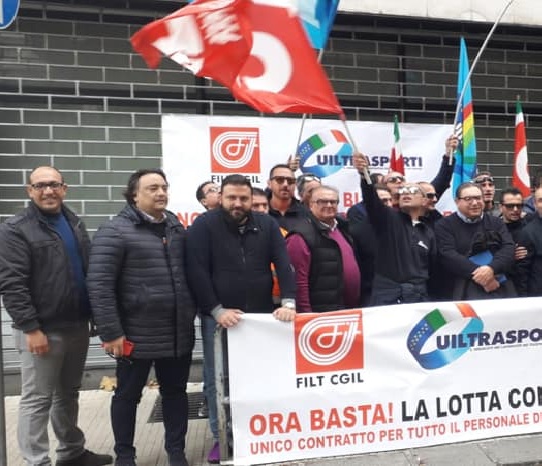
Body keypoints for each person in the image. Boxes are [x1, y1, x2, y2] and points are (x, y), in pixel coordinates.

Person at [0, 167, 112, 466]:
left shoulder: (73, 221)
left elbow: (87, 270)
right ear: (29, 191)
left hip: (76, 325)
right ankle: (37, 461)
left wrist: (95, 314)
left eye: (53, 184)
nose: (47, 191)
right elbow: (11, 283)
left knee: (68, 394)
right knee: (37, 399)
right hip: (42, 330)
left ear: (64, 188)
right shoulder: (15, 229)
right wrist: (30, 328)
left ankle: (71, 452)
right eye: (40, 186)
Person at [185, 174, 298, 464]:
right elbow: (196, 271)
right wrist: (216, 310)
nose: (237, 203)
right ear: (221, 198)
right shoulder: (203, 225)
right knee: (218, 380)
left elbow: (283, 263)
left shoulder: (267, 224)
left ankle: (256, 434)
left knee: (258, 376)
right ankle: (221, 438)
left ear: (252, 199)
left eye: (243, 198)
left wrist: (288, 301)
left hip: (259, 317)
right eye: (231, 197)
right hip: (219, 318)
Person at [87, 169, 197, 466]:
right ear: (134, 195)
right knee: (127, 396)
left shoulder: (175, 227)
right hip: (135, 333)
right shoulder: (115, 231)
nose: (161, 193)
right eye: (152, 188)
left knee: (175, 393)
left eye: (164, 187)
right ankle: (125, 455)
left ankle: (176, 452)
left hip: (177, 333)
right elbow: (99, 285)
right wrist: (111, 332)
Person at [354, 153, 436, 305]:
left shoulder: (428, 232)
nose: (406, 193)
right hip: (388, 297)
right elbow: (372, 201)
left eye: (413, 191)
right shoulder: (388, 218)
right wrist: (364, 174)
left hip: (419, 297)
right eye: (402, 191)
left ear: (425, 201)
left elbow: (432, 268)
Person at [434, 183, 518, 300]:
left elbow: (508, 248)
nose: (474, 203)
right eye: (468, 199)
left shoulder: (496, 222)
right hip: (461, 290)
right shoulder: (444, 225)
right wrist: (483, 276)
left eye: (478, 198)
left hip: (499, 285)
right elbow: (448, 254)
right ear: (457, 201)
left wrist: (491, 269)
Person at [286, 186, 360, 312]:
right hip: (320, 313)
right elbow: (298, 282)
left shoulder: (343, 229)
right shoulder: (299, 237)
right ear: (310, 205)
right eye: (322, 201)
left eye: (333, 201)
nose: (329, 205)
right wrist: (306, 315)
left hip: (348, 310)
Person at [266, 164, 308, 231]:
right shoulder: (259, 211)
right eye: (279, 180)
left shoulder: (306, 213)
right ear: (269, 184)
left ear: (295, 185)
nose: (285, 184)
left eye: (290, 181)